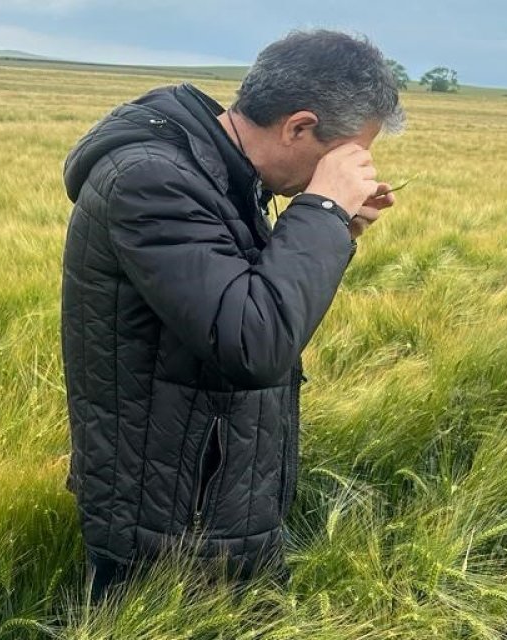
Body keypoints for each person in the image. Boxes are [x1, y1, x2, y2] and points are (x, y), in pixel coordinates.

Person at [59, 29, 404, 601]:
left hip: (210, 503)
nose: (354, 171)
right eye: (348, 155)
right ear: (298, 126)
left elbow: (255, 300)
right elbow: (254, 342)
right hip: (168, 523)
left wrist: (333, 229)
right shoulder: (153, 180)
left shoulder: (222, 175)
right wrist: (318, 213)